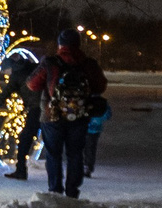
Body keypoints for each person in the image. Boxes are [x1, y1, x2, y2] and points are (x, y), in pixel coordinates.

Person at [25, 29, 108, 198]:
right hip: (80, 114)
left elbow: (32, 84)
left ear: (60, 44)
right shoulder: (88, 64)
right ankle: (72, 191)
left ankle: (55, 190)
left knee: (53, 154)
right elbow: (100, 86)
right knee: (75, 153)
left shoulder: (50, 62)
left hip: (52, 115)